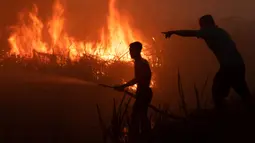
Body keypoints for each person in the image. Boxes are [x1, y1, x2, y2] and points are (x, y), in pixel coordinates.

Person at [162, 14, 252, 111]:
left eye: (201, 25)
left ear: (207, 24)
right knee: (240, 89)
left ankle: (224, 115)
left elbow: (189, 33)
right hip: (236, 64)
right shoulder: (220, 32)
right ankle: (244, 110)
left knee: (218, 91)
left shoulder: (210, 32)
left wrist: (173, 32)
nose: (200, 28)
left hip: (230, 66)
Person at [114, 41, 153, 142]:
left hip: (144, 93)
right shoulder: (139, 62)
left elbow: (138, 79)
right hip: (143, 93)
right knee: (140, 115)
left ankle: (141, 137)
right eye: (130, 50)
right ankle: (144, 136)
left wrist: (123, 86)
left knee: (138, 115)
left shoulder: (141, 63)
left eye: (132, 50)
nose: (130, 52)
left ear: (138, 50)